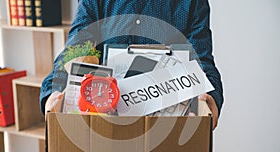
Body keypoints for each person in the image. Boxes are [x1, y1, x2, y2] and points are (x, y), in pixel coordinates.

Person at [40, 0, 224, 129]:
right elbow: (75, 51)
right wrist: (52, 94)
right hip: (105, 125)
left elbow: (202, 60)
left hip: (168, 131)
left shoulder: (192, 2)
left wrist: (211, 99)